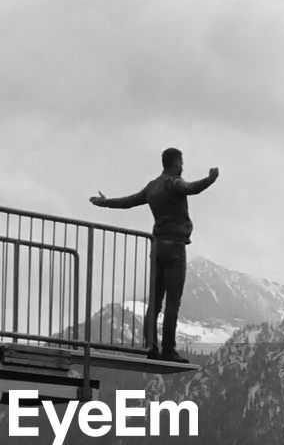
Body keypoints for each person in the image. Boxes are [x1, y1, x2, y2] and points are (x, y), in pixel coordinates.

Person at [90, 148, 219, 362]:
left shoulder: (152, 187)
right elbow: (191, 188)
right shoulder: (173, 183)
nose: (183, 167)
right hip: (175, 248)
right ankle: (168, 349)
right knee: (172, 302)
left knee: (155, 301)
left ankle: (151, 346)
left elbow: (128, 202)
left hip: (156, 246)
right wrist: (210, 179)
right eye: (182, 163)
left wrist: (105, 202)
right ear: (177, 163)